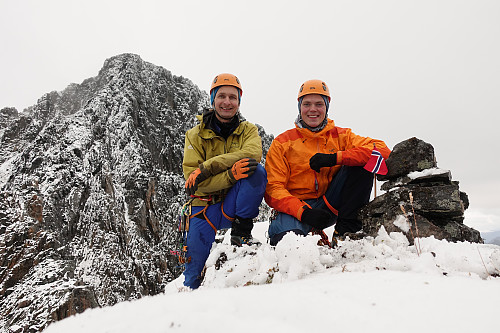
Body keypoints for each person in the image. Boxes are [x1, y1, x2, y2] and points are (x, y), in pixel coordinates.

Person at [264, 79, 391, 246]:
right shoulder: (283, 142)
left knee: (362, 162)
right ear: (299, 107)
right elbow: (273, 188)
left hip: (330, 203)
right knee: (288, 245)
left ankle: (346, 232)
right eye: (307, 104)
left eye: (319, 104)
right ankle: (304, 232)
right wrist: (304, 212)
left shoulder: (341, 136)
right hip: (297, 209)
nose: (313, 110)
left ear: (327, 107)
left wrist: (336, 158)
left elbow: (382, 151)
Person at [182, 73, 267, 289]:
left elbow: (253, 154)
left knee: (255, 171)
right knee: (193, 274)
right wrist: (230, 175)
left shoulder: (248, 130)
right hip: (203, 208)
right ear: (212, 99)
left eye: (233, 97)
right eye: (221, 96)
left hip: (233, 204)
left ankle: (241, 233)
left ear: (239, 101)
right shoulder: (195, 134)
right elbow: (194, 184)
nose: (227, 102)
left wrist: (208, 167)